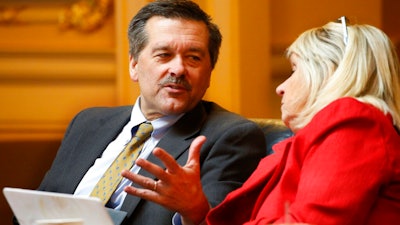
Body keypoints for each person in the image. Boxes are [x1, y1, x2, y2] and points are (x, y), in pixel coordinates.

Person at [122, 17, 400, 225]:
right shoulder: (321, 135)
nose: (281, 87)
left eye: (294, 71)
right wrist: (195, 209)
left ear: (328, 74)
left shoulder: (354, 120)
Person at [13, 1, 266, 225]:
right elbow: (36, 207)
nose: (178, 69)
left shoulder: (232, 136)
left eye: (193, 58)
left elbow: (218, 221)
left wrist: (195, 212)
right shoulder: (88, 122)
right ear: (134, 65)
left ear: (209, 72)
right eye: (164, 55)